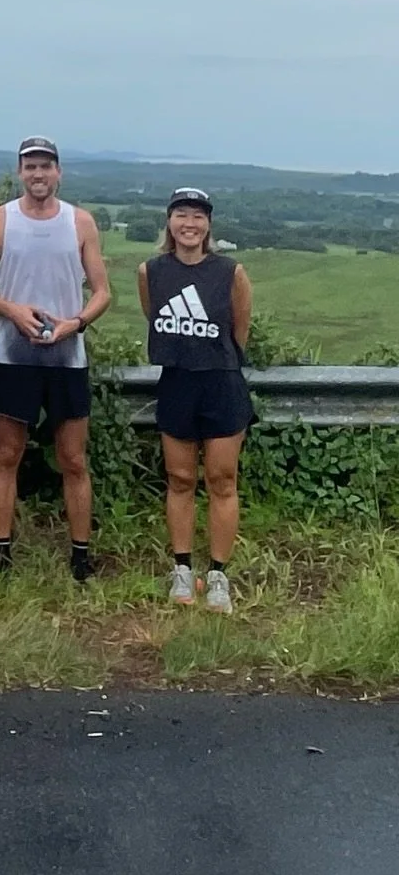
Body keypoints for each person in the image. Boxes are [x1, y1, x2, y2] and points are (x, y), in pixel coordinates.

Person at [0, 138, 112, 581]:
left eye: (46, 166)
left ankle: (81, 557)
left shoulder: (80, 221)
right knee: (7, 453)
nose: (38, 174)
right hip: (13, 354)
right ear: (20, 172)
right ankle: (2, 555)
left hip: (68, 355)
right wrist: (12, 310)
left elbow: (104, 291)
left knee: (73, 458)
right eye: (31, 166)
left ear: (59, 173)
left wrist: (76, 323)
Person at [138, 187, 253, 615]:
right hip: (176, 382)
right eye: (181, 214)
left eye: (198, 216)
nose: (190, 223)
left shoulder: (230, 271)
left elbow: (239, 332)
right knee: (180, 479)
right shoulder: (151, 271)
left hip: (221, 384)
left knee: (222, 480)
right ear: (169, 222)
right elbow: (156, 318)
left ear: (208, 225)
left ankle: (219, 574)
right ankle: (182, 569)